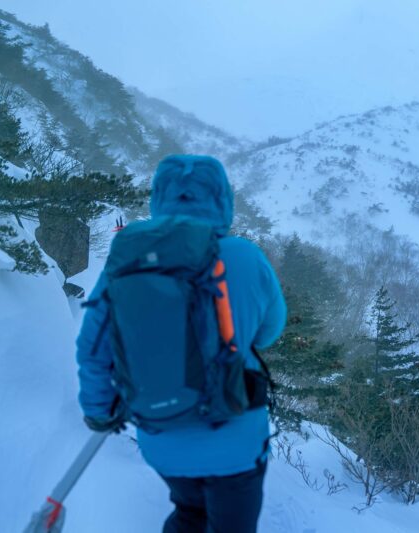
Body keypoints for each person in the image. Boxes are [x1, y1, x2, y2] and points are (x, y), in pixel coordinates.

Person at [75, 154, 287, 533]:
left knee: (189, 513)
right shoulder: (246, 257)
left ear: (159, 198)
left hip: (161, 435)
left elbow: (93, 349)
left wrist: (98, 410)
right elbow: (269, 333)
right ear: (222, 200)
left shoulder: (128, 262)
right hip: (236, 437)